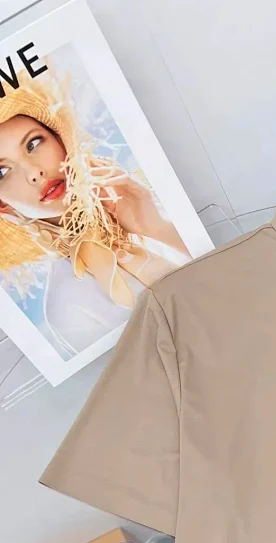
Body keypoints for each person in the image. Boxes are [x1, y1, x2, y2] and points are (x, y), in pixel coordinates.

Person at [0, 67, 190, 357]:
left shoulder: (155, 199)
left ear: (61, 140)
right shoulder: (67, 305)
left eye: (33, 143)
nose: (34, 173)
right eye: (2, 171)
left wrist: (157, 227)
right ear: (3, 206)